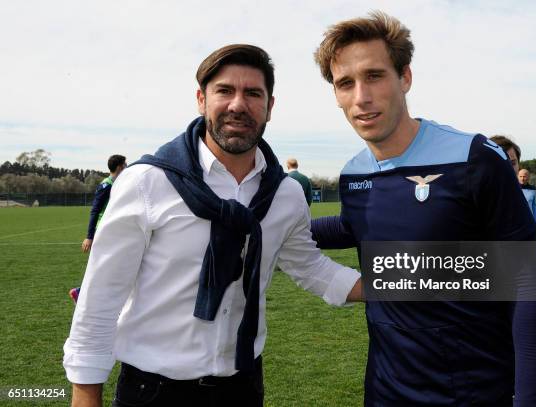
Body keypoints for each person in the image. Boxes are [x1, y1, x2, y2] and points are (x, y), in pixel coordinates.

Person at [63, 44, 362, 407]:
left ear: (270, 106)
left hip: (243, 386)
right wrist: (85, 393)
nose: (238, 104)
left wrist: (408, 278)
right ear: (201, 100)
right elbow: (100, 298)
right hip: (153, 392)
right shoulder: (147, 182)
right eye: (225, 91)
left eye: (253, 93)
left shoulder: (285, 194)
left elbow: (310, 267)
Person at [311, 11, 536, 406]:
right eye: (345, 83)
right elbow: (357, 226)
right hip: (385, 392)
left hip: (474, 391)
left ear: (405, 77)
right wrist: (272, 226)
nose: (361, 97)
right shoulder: (354, 173)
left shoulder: (473, 158)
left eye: (374, 76)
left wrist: (528, 400)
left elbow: (526, 284)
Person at [69, 155, 127, 303]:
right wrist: (89, 236)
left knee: (113, 264)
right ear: (120, 167)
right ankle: (80, 292)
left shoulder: (118, 184)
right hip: (105, 230)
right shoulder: (106, 185)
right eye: (125, 165)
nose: (126, 167)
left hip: (113, 229)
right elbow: (95, 210)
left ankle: (84, 293)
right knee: (108, 264)